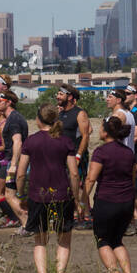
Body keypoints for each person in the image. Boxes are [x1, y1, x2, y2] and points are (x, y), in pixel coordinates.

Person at [17, 104, 80, 273]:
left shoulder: (31, 141)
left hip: (38, 196)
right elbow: (74, 174)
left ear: (38, 119)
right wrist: (77, 198)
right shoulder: (65, 140)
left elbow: (21, 173)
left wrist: (21, 194)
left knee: (40, 240)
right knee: (64, 239)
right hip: (62, 195)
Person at [87, 114, 137, 273]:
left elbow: (91, 179)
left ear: (106, 132)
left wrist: (81, 201)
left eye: (101, 128)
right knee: (117, 240)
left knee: (103, 239)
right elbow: (132, 180)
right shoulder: (128, 152)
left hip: (106, 201)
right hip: (126, 201)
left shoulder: (101, 152)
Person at [55, 84, 92, 227]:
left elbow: (85, 135)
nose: (58, 96)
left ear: (69, 97)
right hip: (63, 155)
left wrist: (78, 155)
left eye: (61, 94)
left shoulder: (80, 113)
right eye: (57, 94)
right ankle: (72, 214)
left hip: (77, 155)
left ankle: (86, 216)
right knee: (66, 186)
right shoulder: (60, 113)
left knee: (80, 185)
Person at [0, 90, 29, 230]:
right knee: (14, 194)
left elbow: (18, 142)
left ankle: (26, 223)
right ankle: (27, 223)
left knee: (10, 195)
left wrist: (14, 164)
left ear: (8, 102)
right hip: (16, 160)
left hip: (15, 161)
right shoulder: (13, 117)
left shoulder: (13, 119)